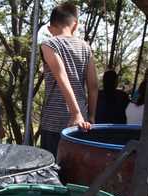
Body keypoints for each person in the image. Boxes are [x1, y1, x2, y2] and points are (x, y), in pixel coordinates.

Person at [40, 2, 98, 157]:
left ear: (50, 27)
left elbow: (61, 77)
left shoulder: (49, 44)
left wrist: (76, 113)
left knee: (50, 174)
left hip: (54, 123)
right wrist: (90, 116)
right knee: (74, 172)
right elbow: (93, 86)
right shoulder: (86, 47)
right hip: (81, 126)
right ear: (75, 24)